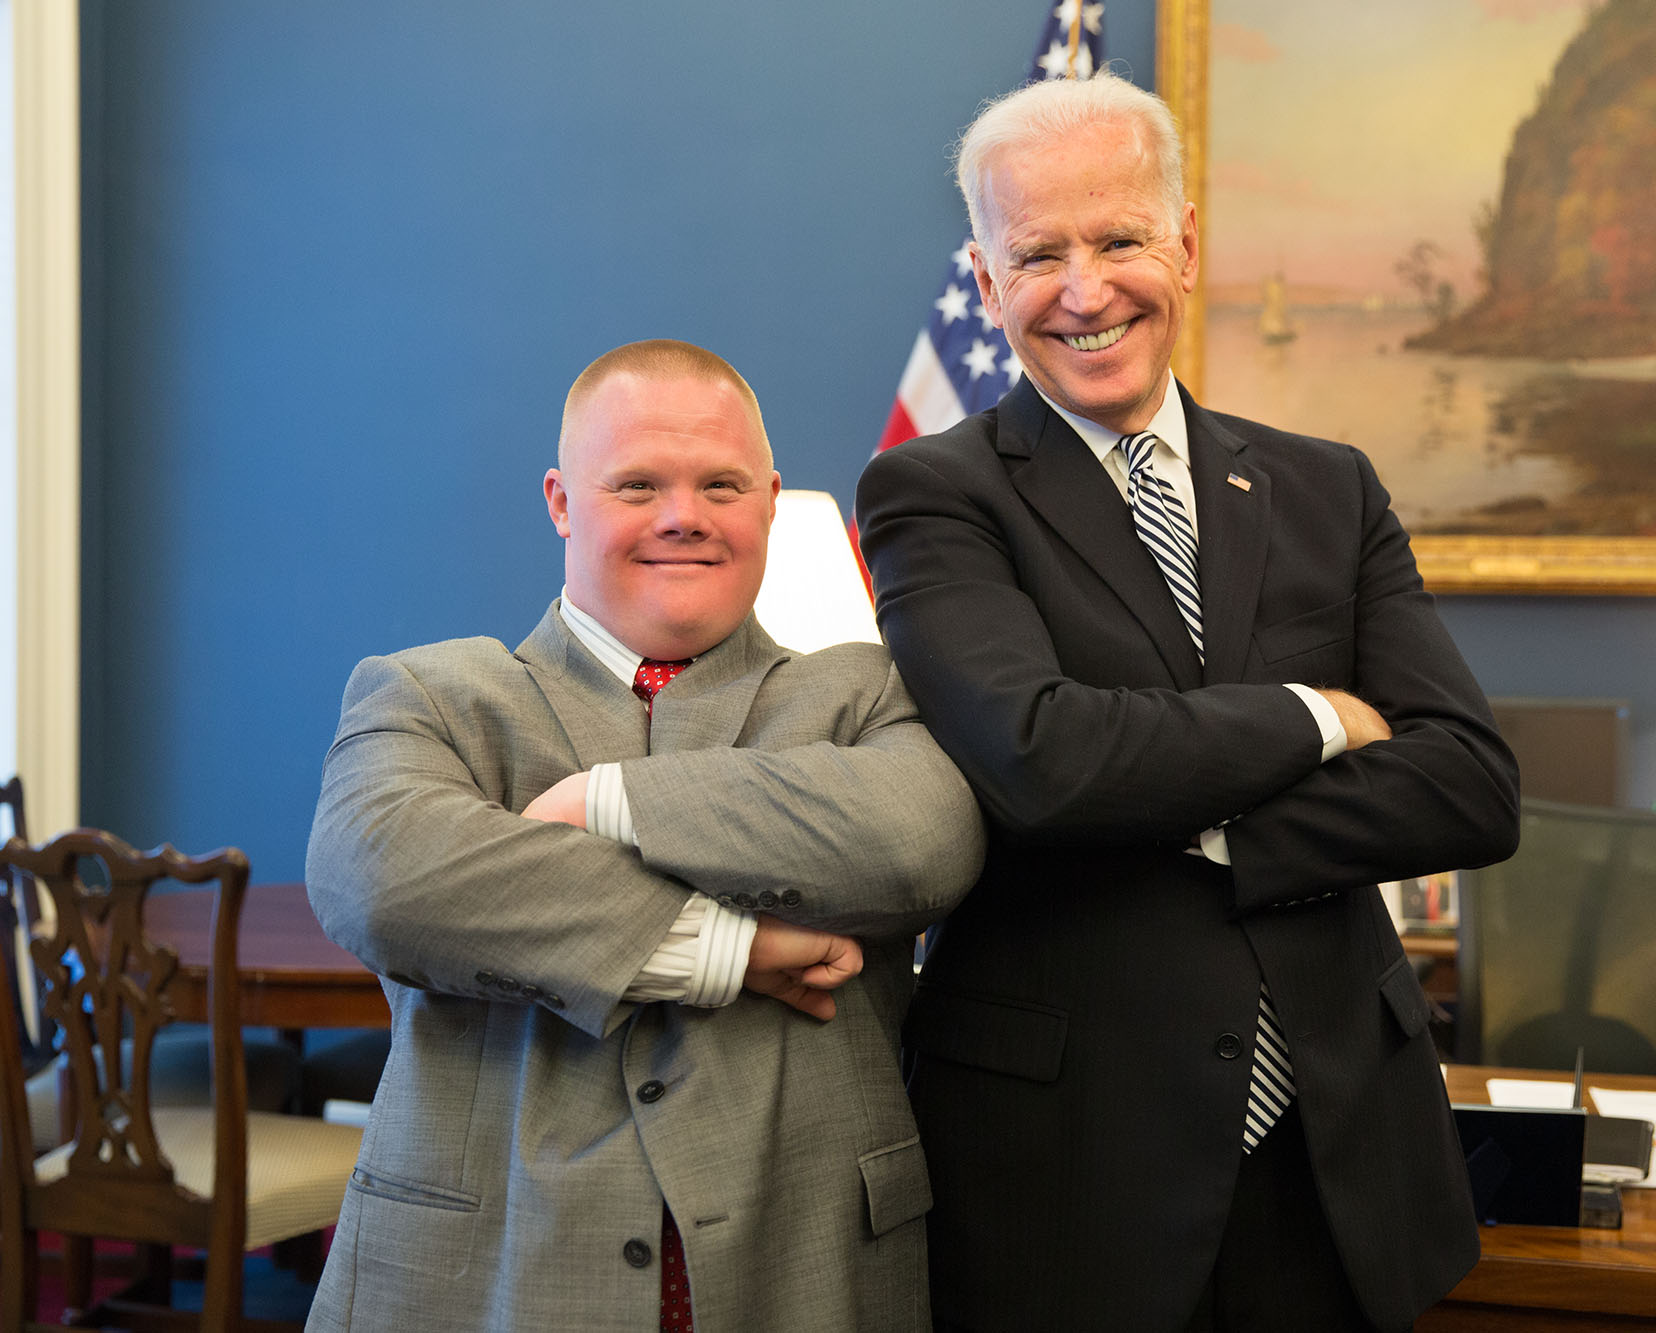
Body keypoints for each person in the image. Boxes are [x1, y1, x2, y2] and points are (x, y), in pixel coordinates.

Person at [855, 75, 1520, 1331]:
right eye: (1036, 252)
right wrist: (1317, 716)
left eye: (1117, 239)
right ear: (987, 283)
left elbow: (1470, 785)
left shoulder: (1328, 488)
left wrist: (1211, 829)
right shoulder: (930, 493)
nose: (1083, 289)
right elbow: (1039, 759)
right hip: (1074, 1164)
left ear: (1188, 244)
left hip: (1340, 1155)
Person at [305, 339, 984, 1331]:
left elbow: (924, 838)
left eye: (720, 483)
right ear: (560, 502)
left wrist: (604, 802)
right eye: (637, 484)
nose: (683, 515)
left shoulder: (865, 688)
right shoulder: (428, 695)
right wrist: (728, 950)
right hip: (487, 1276)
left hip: (804, 1271)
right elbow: (381, 881)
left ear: (767, 500)